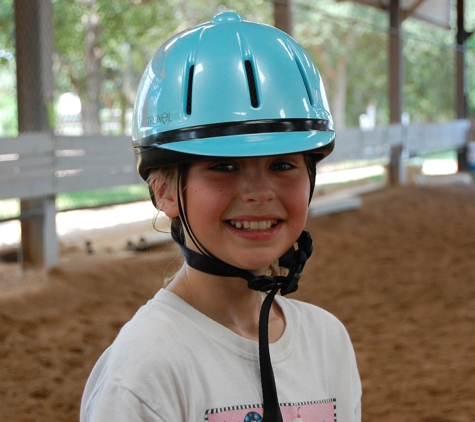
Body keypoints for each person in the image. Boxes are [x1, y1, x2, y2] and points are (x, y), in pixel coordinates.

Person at [80, 11, 361, 422]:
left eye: (282, 164)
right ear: (164, 190)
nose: (260, 193)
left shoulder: (328, 342)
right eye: (224, 166)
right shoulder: (143, 374)